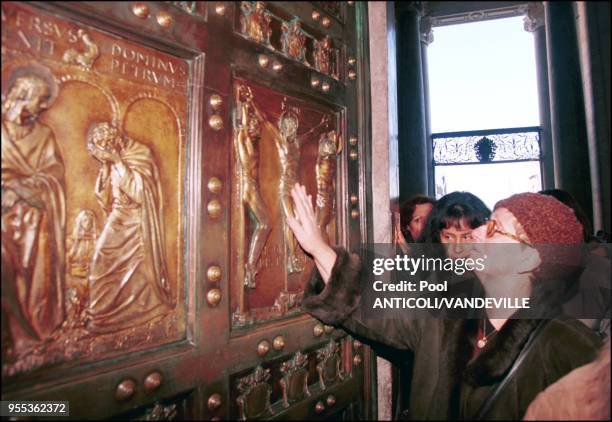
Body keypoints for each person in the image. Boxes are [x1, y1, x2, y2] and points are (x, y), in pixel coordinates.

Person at [287, 184, 602, 419]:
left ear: (531, 257)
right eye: (485, 222)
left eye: (494, 229)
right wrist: (318, 247)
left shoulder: (568, 350)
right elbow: (370, 305)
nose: (477, 234)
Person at [85, 122, 173, 334]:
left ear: (115, 139)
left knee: (137, 270)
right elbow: (104, 199)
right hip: (117, 216)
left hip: (136, 222)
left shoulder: (140, 153)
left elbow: (141, 193)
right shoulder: (112, 158)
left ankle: (145, 309)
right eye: (101, 146)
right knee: (99, 260)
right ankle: (101, 315)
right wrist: (105, 166)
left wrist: (117, 162)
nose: (105, 148)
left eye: (106, 143)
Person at [1, 65, 66, 357]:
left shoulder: (43, 135)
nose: (42, 106)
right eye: (39, 99)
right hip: (5, 222)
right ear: (20, 96)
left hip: (34, 223)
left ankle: (35, 334)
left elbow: (54, 174)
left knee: (34, 284)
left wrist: (21, 189)